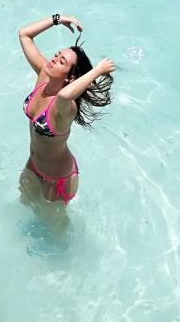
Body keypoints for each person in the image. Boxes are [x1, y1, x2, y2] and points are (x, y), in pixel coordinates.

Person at [18, 13, 114, 205]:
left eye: (62, 62)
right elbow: (24, 35)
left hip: (58, 179)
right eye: (57, 55)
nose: (54, 59)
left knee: (55, 229)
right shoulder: (43, 77)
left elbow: (64, 95)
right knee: (24, 207)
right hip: (33, 165)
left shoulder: (65, 107)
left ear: (70, 78)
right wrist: (58, 19)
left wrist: (98, 71)